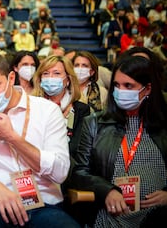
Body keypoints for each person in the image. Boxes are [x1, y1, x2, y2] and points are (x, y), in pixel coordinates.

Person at [0, 52, 80, 228]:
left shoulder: (47, 110)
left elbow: (60, 172)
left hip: (44, 203)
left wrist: (11, 137)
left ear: (11, 78)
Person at [70, 55, 167, 227]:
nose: (120, 91)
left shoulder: (163, 126)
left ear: (148, 89)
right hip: (110, 215)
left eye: (128, 86)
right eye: (116, 85)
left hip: (157, 216)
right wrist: (107, 191)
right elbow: (79, 172)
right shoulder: (94, 123)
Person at [32, 55, 90, 155]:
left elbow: (77, 148)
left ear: (68, 80)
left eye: (57, 73)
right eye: (45, 73)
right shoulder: (32, 107)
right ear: (40, 79)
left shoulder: (81, 110)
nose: (50, 78)